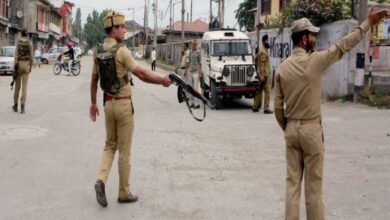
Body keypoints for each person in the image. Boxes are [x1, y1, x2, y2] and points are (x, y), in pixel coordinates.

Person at [274, 10, 388, 220]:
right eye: (312, 35)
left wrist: (288, 127)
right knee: (314, 187)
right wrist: (367, 23)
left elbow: (278, 107)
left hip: (291, 130)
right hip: (311, 130)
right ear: (304, 38)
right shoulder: (316, 61)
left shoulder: (282, 68)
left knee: (292, 185)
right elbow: (344, 45)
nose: (315, 39)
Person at [89, 11, 172, 207]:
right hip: (124, 105)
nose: (125, 31)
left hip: (107, 103)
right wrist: (162, 81)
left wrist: (93, 103)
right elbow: (142, 74)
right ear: (114, 29)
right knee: (124, 151)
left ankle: (100, 180)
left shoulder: (97, 51)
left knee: (110, 146)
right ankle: (124, 192)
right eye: (123, 27)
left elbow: (94, 80)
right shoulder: (122, 51)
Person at [13, 31, 33, 114]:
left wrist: (15, 66)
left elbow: (16, 55)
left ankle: (15, 105)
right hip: (26, 65)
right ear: (27, 35)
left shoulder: (18, 42)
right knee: (24, 87)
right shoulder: (29, 43)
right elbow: (31, 55)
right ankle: (22, 107)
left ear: (21, 34)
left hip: (19, 65)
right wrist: (31, 65)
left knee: (17, 86)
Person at [253, 35, 273, 114]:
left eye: (268, 40)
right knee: (267, 91)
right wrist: (262, 76)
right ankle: (266, 108)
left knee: (259, 91)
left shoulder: (262, 51)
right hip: (264, 76)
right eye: (267, 41)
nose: (268, 42)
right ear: (263, 42)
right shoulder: (263, 52)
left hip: (262, 75)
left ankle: (255, 106)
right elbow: (262, 65)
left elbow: (255, 59)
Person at [185, 41, 202, 108]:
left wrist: (200, 73)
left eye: (195, 44)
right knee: (190, 87)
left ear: (197, 45)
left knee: (195, 88)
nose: (194, 45)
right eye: (193, 44)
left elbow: (200, 63)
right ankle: (191, 103)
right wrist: (186, 70)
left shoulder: (198, 52)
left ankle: (197, 104)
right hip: (190, 72)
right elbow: (188, 62)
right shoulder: (190, 52)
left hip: (196, 72)